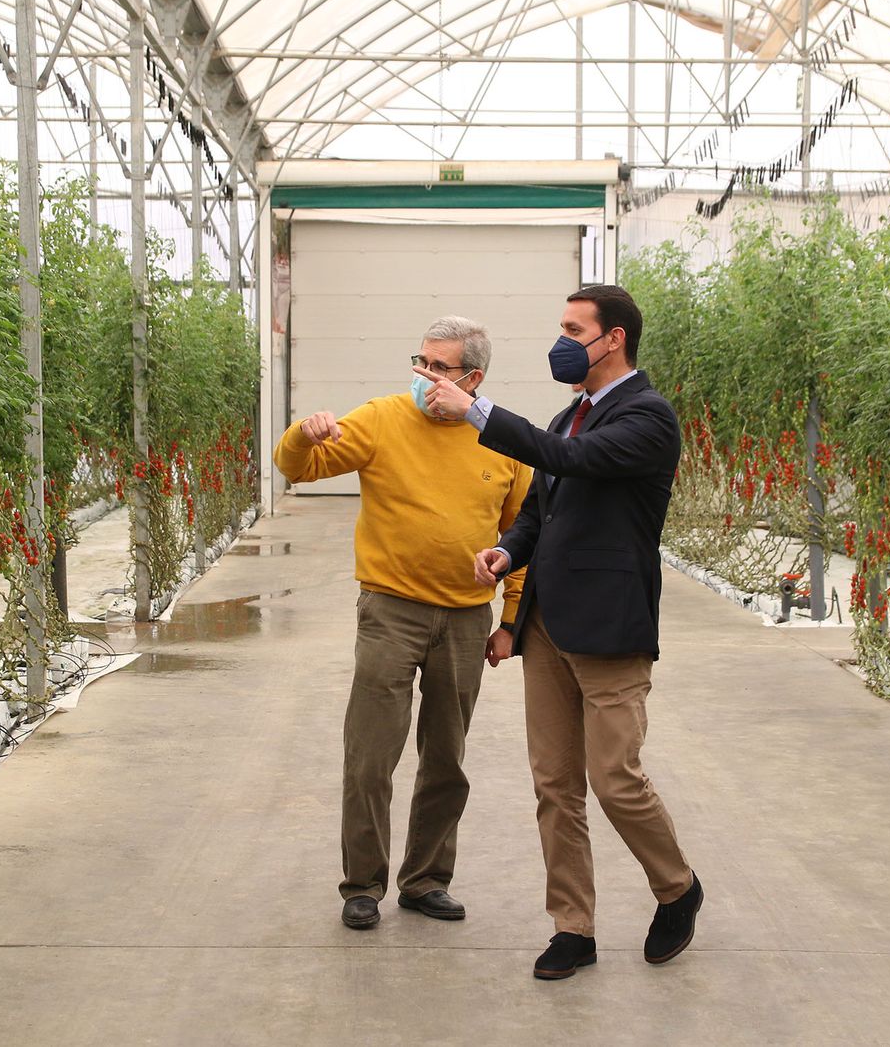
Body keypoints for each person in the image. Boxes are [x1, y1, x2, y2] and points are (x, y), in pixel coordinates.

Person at [413, 284, 702, 980]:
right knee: (555, 787)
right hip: (547, 627)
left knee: (616, 780)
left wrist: (473, 409)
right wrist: (508, 552)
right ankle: (573, 927)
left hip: (609, 629)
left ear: (614, 340)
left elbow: (567, 461)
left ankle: (677, 887)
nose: (562, 340)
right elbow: (544, 508)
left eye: (574, 328)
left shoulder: (648, 417)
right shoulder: (571, 415)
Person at [273, 315, 532, 931]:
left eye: (437, 368)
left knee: (446, 758)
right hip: (391, 612)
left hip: (468, 621)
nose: (422, 376)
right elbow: (301, 468)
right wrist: (302, 435)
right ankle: (362, 885)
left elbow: (525, 535)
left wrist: (511, 621)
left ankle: (426, 880)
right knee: (370, 755)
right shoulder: (384, 418)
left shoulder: (505, 440)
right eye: (418, 361)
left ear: (473, 378)